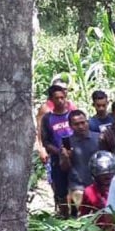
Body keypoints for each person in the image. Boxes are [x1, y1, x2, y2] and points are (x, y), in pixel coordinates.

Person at [39, 84, 75, 216]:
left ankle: (77, 215)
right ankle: (64, 215)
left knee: (76, 187)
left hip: (75, 157)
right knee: (60, 190)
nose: (60, 100)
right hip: (57, 158)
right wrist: (59, 152)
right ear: (51, 100)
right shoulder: (47, 118)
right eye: (57, 98)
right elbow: (45, 141)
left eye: (62, 97)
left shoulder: (72, 115)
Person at [59, 110, 100, 215]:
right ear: (70, 126)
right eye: (76, 124)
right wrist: (65, 157)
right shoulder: (67, 143)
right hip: (78, 187)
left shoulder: (99, 138)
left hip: (97, 186)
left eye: (83, 122)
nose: (81, 126)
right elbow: (64, 168)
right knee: (83, 218)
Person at [80, 151, 115, 231]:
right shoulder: (89, 191)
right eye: (103, 175)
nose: (107, 176)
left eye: (110, 174)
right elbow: (84, 216)